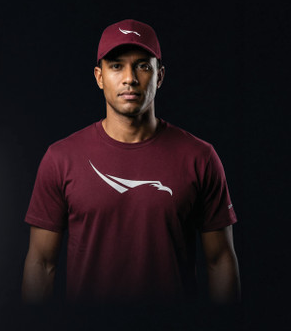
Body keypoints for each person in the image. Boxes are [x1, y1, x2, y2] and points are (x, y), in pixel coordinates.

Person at [22, 19, 240, 303]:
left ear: (160, 76)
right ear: (99, 77)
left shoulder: (199, 157)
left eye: (142, 66)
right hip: (85, 328)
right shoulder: (61, 158)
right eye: (116, 66)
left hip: (174, 328)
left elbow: (220, 260)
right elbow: (41, 263)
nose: (130, 78)